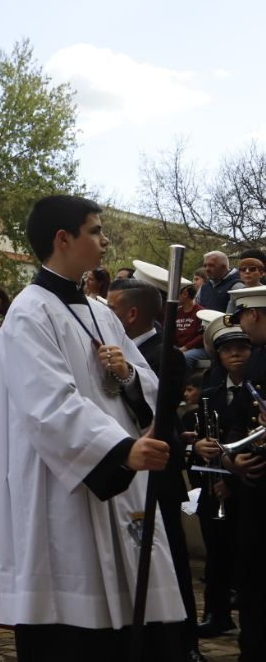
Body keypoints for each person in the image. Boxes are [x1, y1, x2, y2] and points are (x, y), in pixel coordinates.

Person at [0, 196, 186, 660]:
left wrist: (130, 379)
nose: (104, 240)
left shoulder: (100, 312)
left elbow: (147, 383)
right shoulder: (28, 315)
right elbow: (47, 405)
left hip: (120, 482)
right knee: (78, 637)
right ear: (63, 239)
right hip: (65, 492)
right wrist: (120, 451)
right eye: (95, 230)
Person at [106, 275, 201, 660]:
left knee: (171, 559)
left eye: (111, 309)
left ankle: (185, 643)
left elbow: (158, 410)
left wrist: (128, 373)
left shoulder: (167, 353)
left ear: (130, 313)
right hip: (126, 467)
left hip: (157, 471)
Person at [189, 316, 251, 640]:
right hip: (211, 486)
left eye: (242, 348)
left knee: (245, 554)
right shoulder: (210, 393)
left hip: (243, 487)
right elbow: (200, 436)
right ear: (219, 356)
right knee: (216, 552)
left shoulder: (257, 391)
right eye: (228, 350)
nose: (236, 355)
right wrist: (197, 445)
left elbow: (253, 442)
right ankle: (217, 614)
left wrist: (232, 481)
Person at [224, 284, 266, 660]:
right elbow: (239, 416)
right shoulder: (256, 359)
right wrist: (231, 457)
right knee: (253, 577)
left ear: (252, 314)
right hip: (255, 485)